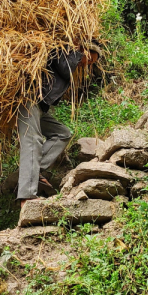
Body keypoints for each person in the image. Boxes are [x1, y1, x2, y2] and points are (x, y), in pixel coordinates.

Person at [17, 43, 101, 205]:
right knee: (32, 140)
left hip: (40, 106)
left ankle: (36, 171)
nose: (86, 64)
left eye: (90, 64)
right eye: (88, 59)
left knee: (63, 133)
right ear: (83, 50)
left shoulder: (70, 62)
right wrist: (77, 51)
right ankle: (27, 196)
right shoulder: (61, 54)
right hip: (28, 99)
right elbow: (62, 64)